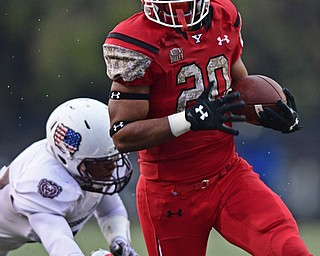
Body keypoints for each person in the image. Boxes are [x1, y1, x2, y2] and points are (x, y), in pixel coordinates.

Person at [103, 0, 312, 255]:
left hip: (228, 175)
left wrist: (268, 114)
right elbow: (122, 134)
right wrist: (188, 119)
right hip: (170, 192)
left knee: (288, 246)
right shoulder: (136, 39)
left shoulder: (223, 17)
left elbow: (237, 88)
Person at [0, 98, 138, 256]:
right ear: (69, 158)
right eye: (103, 162)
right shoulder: (42, 180)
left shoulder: (88, 166)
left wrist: (120, 242)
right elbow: (58, 241)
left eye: (114, 158)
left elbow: (111, 209)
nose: (113, 166)